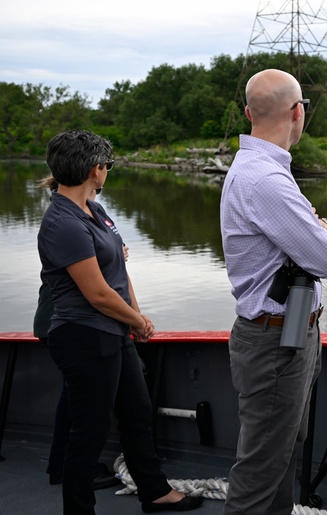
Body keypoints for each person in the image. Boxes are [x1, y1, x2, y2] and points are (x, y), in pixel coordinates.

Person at [37, 130, 203, 514]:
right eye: (106, 165)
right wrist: (138, 322)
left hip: (112, 329)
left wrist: (135, 314)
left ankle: (154, 492)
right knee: (89, 433)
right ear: (96, 170)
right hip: (84, 336)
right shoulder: (63, 222)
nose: (107, 171)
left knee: (136, 410)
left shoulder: (94, 211)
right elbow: (95, 293)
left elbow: (116, 267)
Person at [220, 68, 327, 515]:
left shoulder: (259, 170)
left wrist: (308, 228)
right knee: (260, 471)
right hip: (276, 342)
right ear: (297, 113)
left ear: (249, 113)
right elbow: (325, 260)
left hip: (287, 330)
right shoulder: (266, 180)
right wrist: (319, 228)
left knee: (282, 452)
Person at [33, 177, 122, 491]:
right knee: (74, 400)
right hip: (61, 321)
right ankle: (63, 466)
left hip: (72, 322)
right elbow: (91, 284)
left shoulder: (90, 213)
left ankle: (62, 465)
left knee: (73, 397)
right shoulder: (66, 221)